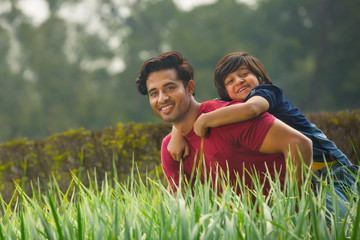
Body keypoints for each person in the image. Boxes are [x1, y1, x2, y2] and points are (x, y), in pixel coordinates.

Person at [168, 51, 359, 221]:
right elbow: (190, 111)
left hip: (330, 171)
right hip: (305, 175)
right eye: (230, 81)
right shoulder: (229, 108)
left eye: (244, 74)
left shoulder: (266, 93)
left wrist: (205, 120)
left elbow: (251, 109)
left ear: (260, 77)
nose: (239, 81)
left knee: (338, 222)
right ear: (225, 92)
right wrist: (177, 131)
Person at [136, 51, 313, 195]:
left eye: (170, 88)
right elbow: (181, 203)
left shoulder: (230, 117)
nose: (162, 98)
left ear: (189, 88)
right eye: (154, 93)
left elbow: (299, 144)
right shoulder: (171, 148)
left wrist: (295, 205)